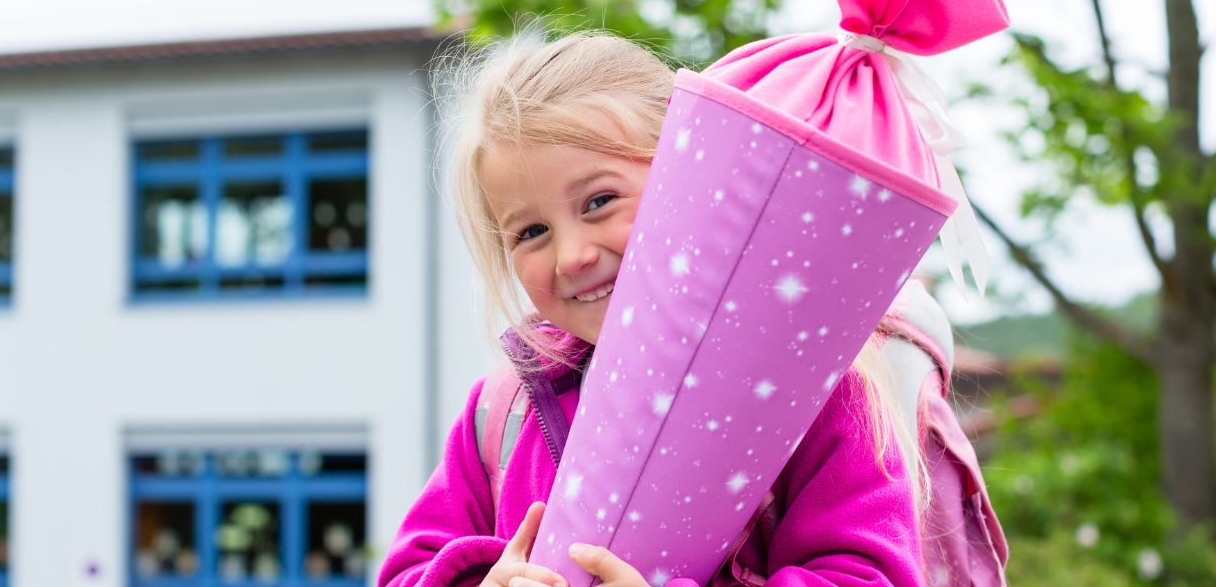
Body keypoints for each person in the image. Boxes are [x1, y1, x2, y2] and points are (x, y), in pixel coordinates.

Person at [378, 31, 926, 587]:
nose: (572, 256)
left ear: (690, 181)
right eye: (531, 231)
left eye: (599, 201)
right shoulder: (501, 410)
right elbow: (405, 572)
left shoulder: (811, 386)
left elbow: (868, 575)